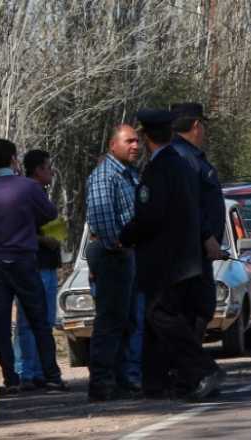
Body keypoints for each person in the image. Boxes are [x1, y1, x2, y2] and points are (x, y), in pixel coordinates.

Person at [120, 108, 225, 401]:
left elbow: (151, 216)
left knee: (162, 316)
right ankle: (155, 383)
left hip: (166, 259)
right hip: (184, 257)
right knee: (160, 320)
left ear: (146, 137)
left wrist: (125, 236)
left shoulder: (159, 169)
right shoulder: (181, 164)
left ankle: (202, 369)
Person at [0, 139, 67, 394]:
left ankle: (11, 378)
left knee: (0, 323)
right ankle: (51, 375)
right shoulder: (27, 187)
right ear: (13, 159)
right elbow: (50, 213)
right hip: (24, 259)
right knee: (39, 319)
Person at [84, 124, 143, 401]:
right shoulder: (104, 176)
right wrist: (117, 244)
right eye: (129, 141)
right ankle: (101, 383)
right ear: (112, 145)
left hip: (125, 254)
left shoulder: (127, 174)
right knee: (109, 321)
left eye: (137, 141)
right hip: (112, 255)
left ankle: (123, 380)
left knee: (127, 320)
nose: (136, 145)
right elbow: (102, 215)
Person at [169, 102, 225, 338]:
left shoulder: (188, 156)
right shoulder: (184, 158)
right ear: (196, 125)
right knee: (198, 308)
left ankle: (188, 364)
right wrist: (207, 236)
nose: (204, 132)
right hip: (191, 250)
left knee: (200, 308)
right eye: (203, 126)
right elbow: (189, 203)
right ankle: (187, 366)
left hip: (196, 250)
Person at [12, 149, 63, 390]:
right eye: (48, 166)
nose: (51, 171)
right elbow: (17, 227)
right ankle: (26, 371)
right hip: (35, 265)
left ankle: (42, 370)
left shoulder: (40, 193)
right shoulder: (24, 193)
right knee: (28, 320)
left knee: (45, 320)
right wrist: (43, 240)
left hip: (48, 264)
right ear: (38, 170)